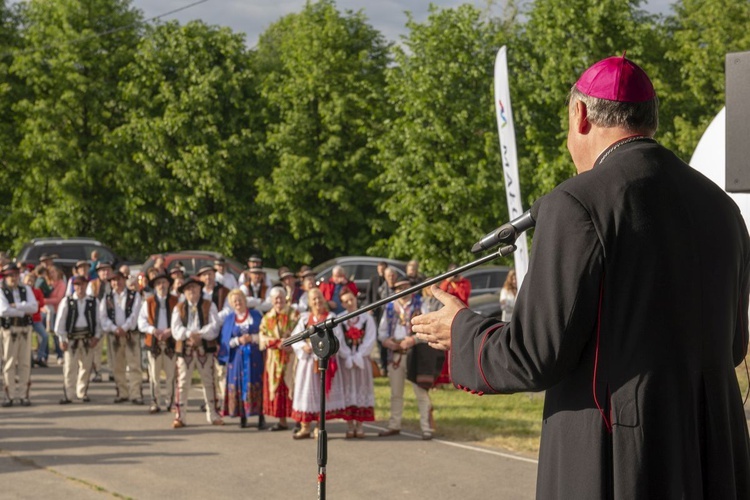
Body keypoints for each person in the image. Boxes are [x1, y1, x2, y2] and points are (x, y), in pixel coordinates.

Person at [412, 55, 750, 498]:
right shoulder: (722, 207)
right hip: (712, 457)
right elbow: (733, 346)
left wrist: (461, 327)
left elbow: (532, 355)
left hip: (623, 457)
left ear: (581, 115)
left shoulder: (577, 203)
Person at [377, 278, 439, 440]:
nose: (402, 291)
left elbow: (428, 328)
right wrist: (388, 343)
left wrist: (412, 340)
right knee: (396, 393)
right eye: (398, 288)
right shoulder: (390, 307)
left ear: (411, 289)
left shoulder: (420, 304)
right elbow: (382, 332)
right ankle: (394, 425)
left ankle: (426, 428)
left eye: (405, 287)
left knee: (421, 392)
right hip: (396, 355)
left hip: (415, 354)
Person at [289, 288, 346, 439]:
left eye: (319, 298)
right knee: (307, 395)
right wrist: (303, 346)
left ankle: (319, 428)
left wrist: (326, 349)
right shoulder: (305, 318)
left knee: (321, 395)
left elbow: (338, 338)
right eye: (313, 299)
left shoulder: (331, 317)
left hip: (324, 361)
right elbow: (295, 337)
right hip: (308, 364)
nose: (317, 302)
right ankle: (305, 426)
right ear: (309, 302)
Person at [170, 277, 222, 428]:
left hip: (204, 348)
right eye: (188, 289)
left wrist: (199, 334)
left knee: (209, 381)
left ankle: (213, 414)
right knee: (183, 382)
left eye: (194, 288)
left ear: (200, 289)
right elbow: (175, 329)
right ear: (184, 292)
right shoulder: (179, 308)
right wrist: (188, 334)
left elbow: (214, 326)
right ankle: (180, 416)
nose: (192, 291)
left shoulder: (209, 305)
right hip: (185, 349)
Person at [218, 289, 265, 429]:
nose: (238, 303)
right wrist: (238, 340)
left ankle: (260, 416)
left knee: (257, 383)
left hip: (255, 356)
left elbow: (264, 333)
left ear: (245, 300)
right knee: (238, 383)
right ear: (232, 304)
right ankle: (242, 415)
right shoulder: (229, 319)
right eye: (235, 301)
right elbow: (225, 340)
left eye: (240, 300)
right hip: (237, 358)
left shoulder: (256, 315)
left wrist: (252, 338)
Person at [259, 287, 300, 431]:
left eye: (280, 297)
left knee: (294, 387)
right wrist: (278, 343)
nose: (278, 301)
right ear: (271, 300)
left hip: (292, 357)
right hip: (274, 359)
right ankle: (282, 421)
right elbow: (262, 337)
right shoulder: (267, 317)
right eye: (275, 298)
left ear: (285, 298)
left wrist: (293, 344)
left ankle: (299, 421)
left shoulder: (294, 314)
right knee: (278, 391)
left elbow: (301, 331)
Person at [137, 271, 179, 414]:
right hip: (154, 342)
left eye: (164, 283)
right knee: (154, 375)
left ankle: (171, 402)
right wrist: (153, 330)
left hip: (170, 342)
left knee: (170, 375)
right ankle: (155, 402)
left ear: (169, 284)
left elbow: (181, 321)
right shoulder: (148, 302)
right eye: (159, 283)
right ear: (154, 286)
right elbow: (141, 322)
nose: (162, 286)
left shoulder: (176, 301)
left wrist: (170, 331)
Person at [337, 287, 376, 438]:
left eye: (351, 299)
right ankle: (349, 425)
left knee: (362, 388)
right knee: (347, 390)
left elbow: (370, 338)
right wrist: (347, 355)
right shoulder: (340, 319)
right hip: (346, 360)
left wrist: (359, 355)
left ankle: (360, 425)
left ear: (355, 299)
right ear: (342, 304)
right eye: (346, 301)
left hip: (362, 360)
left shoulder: (366, 318)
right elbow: (339, 339)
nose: (349, 303)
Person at [99, 270, 143, 404]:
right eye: (113, 280)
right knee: (118, 366)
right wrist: (114, 329)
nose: (116, 283)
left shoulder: (134, 295)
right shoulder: (106, 298)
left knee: (134, 365)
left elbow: (135, 315)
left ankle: (135, 394)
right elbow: (103, 317)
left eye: (119, 280)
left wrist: (124, 328)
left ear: (124, 280)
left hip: (131, 335)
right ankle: (122, 392)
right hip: (115, 336)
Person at [55, 275, 100, 404]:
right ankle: (69, 394)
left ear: (87, 285)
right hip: (71, 338)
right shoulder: (67, 301)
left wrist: (96, 336)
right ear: (74, 286)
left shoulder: (93, 301)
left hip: (87, 337)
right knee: (70, 367)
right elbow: (60, 322)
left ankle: (82, 392)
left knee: (86, 366)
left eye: (82, 284)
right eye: (77, 285)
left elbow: (97, 321)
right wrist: (62, 338)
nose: (80, 288)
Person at [0, 264, 38, 406]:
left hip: (24, 329)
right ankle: (9, 395)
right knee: (9, 363)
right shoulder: (2, 291)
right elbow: (3, 311)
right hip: (10, 330)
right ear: (5, 277)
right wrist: (23, 308)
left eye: (15, 275)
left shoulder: (26, 289)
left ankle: (23, 395)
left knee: (25, 363)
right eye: (10, 275)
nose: (13, 278)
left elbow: (34, 307)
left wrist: (16, 306)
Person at [23, 273, 48, 368]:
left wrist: (32, 305)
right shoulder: (22, 291)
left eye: (32, 280)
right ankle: (29, 359)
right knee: (27, 339)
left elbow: (41, 303)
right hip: (25, 319)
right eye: (28, 280)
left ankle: (40, 357)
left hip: (36, 319)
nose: (30, 282)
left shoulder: (37, 291)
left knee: (45, 336)